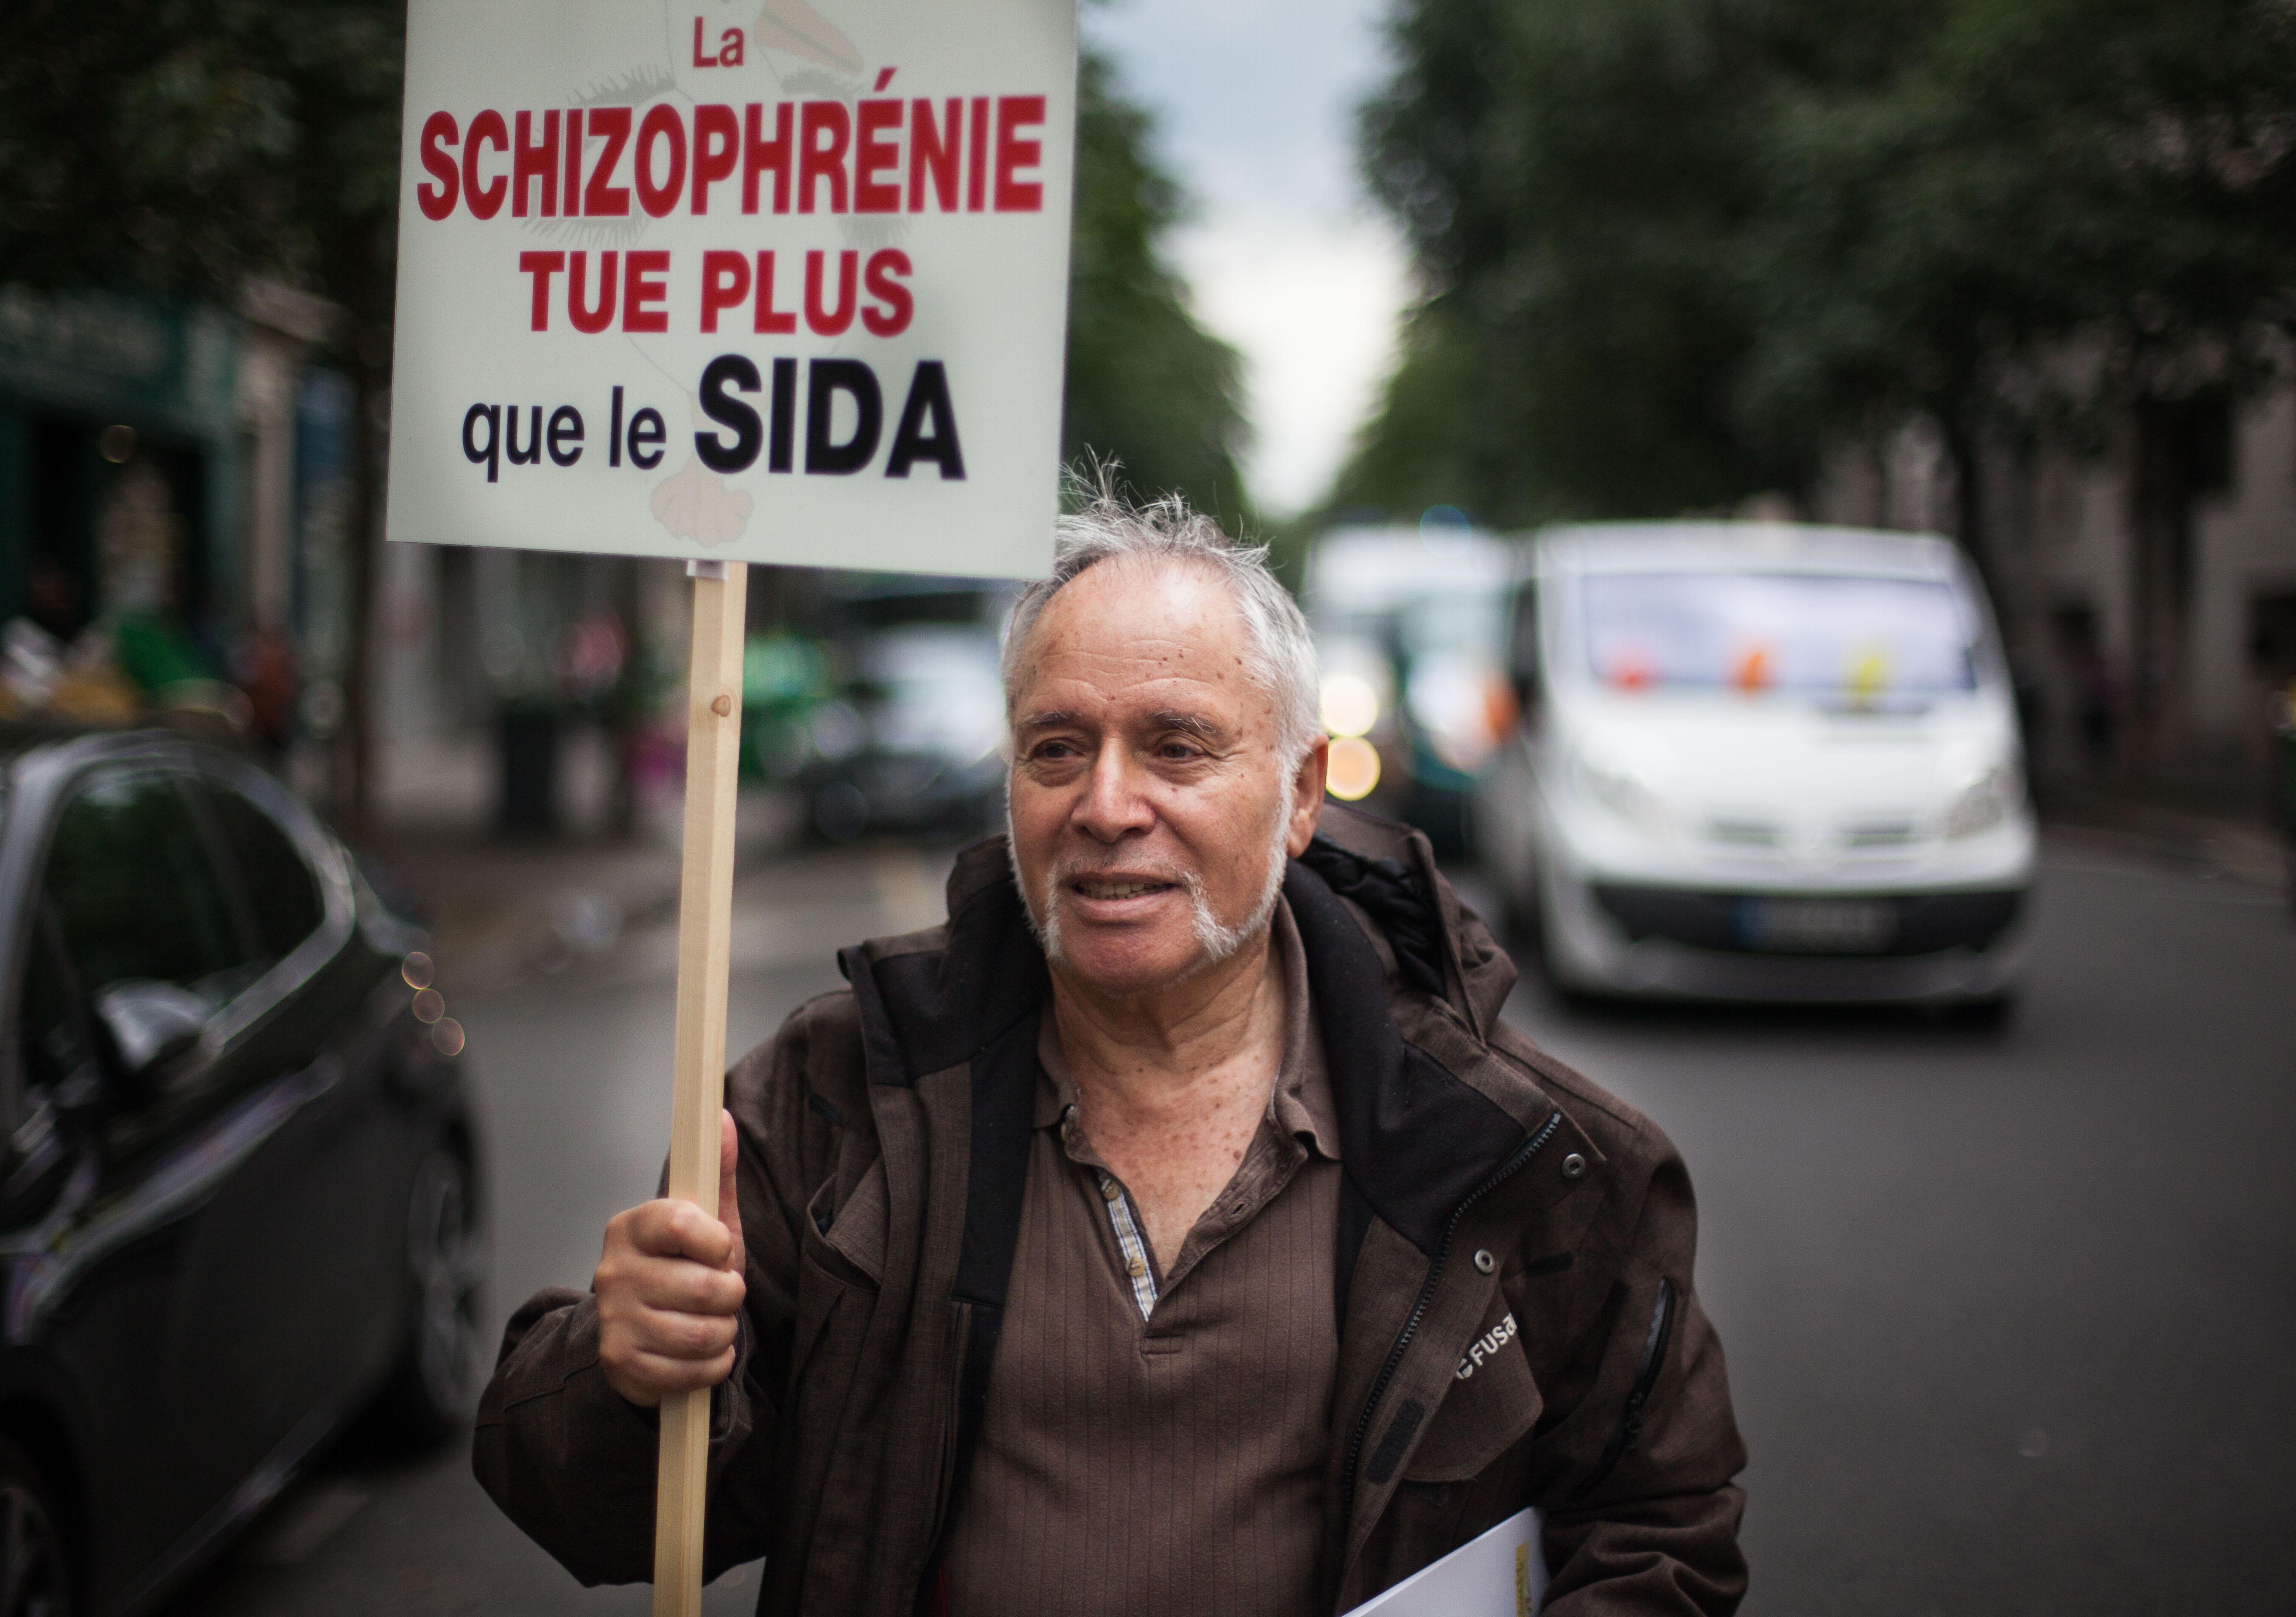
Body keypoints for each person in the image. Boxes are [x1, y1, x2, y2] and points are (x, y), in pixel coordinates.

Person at [474, 490, 1748, 1614]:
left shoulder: (1534, 1160)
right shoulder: (834, 1098)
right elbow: (611, 1522)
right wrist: (626, 1373)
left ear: (1303, 794)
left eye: (1178, 746)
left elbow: (1659, 1533)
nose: (1105, 804)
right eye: (1057, 748)